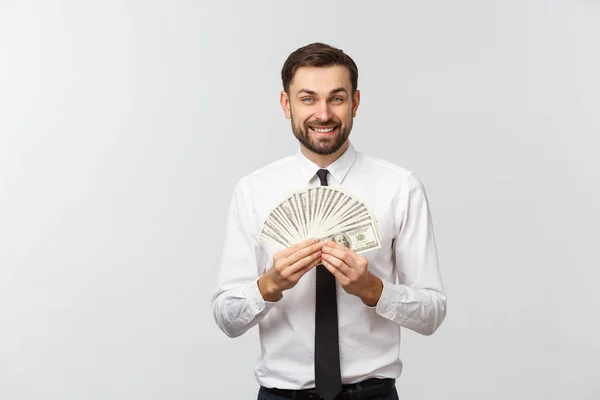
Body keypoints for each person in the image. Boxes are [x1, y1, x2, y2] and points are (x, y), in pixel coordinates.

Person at [212, 42, 447, 400]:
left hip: (373, 394)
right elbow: (227, 319)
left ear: (354, 102)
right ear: (285, 104)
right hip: (280, 395)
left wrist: (373, 290)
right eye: (308, 99)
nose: (323, 114)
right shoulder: (254, 190)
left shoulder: (400, 187)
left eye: (336, 98)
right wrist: (270, 285)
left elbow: (431, 314)